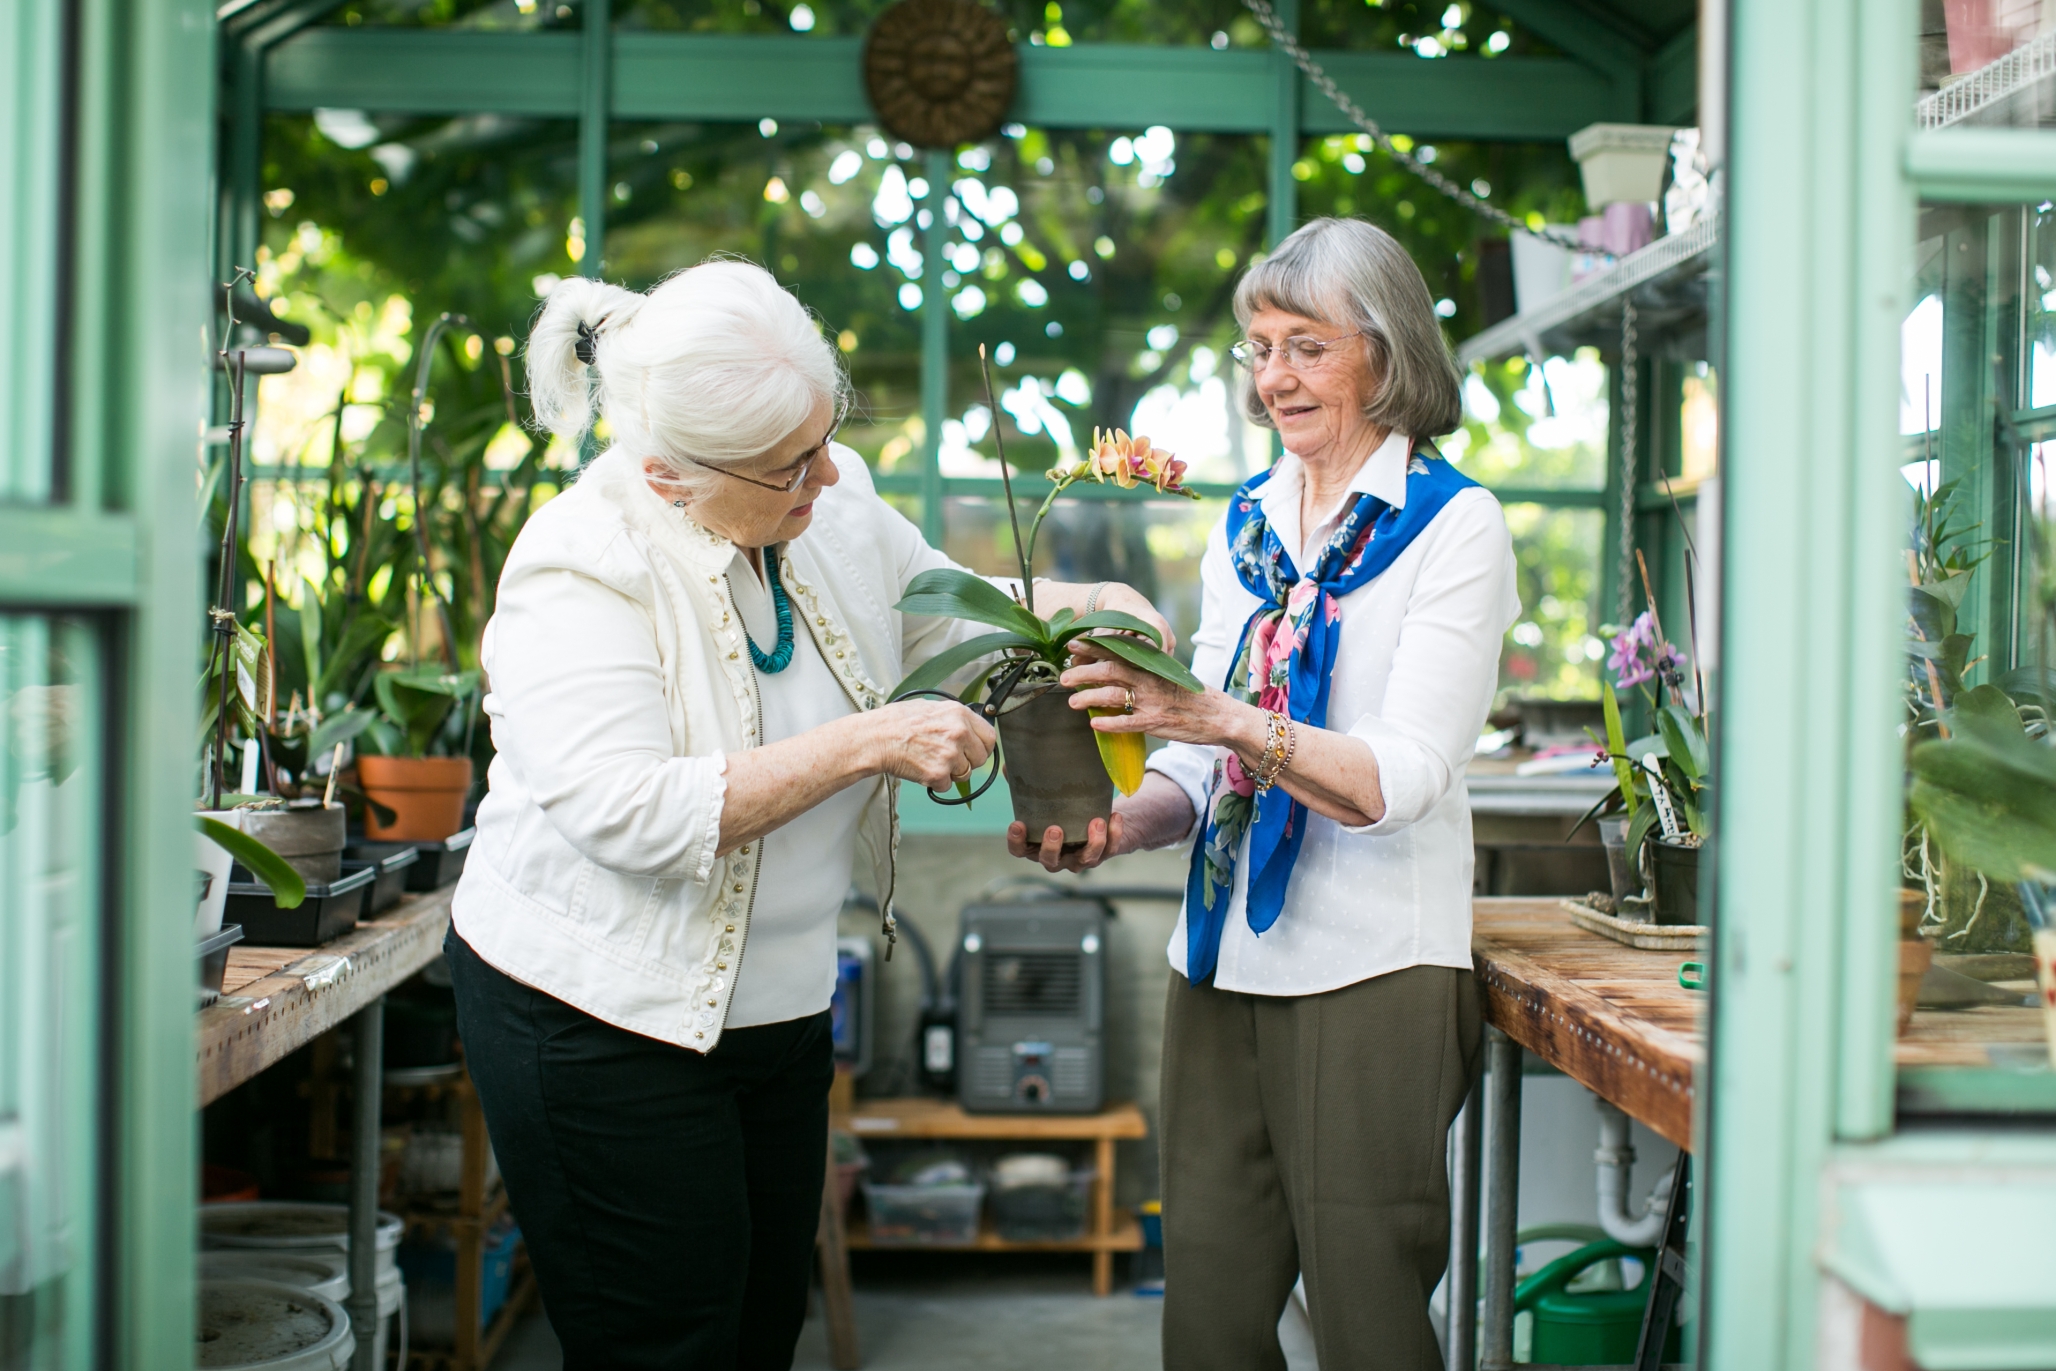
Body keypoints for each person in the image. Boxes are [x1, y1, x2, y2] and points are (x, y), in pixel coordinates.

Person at [445, 259, 1168, 1370]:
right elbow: (625, 812)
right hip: (598, 1016)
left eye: (829, 437)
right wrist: (872, 740)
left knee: (757, 1324)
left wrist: (1090, 606)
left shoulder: (829, 506)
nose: (829, 474)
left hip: (776, 1010)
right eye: (793, 465)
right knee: (663, 1342)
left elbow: (942, 619)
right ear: (670, 475)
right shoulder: (579, 567)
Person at [1014, 217, 1520, 1370]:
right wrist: (1130, 821)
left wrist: (1218, 717)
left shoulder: (1455, 527)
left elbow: (1400, 779)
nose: (1271, 379)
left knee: (1367, 1312)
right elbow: (1205, 751)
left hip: (1374, 966)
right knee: (1205, 1303)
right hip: (1222, 957)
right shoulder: (1246, 523)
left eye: (1304, 346)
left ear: (1384, 355)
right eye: (1256, 348)